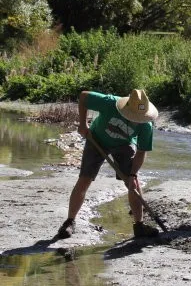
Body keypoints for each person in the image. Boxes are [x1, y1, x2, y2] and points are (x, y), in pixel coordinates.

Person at [56, 89, 159, 239]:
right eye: (134, 117)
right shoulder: (110, 103)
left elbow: (141, 152)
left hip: (125, 144)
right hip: (96, 139)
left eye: (140, 117)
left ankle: (139, 225)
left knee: (133, 184)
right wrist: (83, 124)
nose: (137, 120)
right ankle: (69, 222)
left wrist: (132, 174)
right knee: (85, 178)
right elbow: (84, 97)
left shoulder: (146, 125)